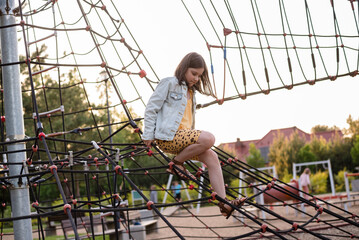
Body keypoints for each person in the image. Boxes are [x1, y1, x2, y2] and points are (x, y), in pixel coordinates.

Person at [142, 52, 242, 218]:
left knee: (212, 157)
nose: (196, 78)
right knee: (209, 138)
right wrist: (147, 134)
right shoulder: (169, 83)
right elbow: (151, 108)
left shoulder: (191, 93)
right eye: (193, 73)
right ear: (184, 68)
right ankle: (177, 163)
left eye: (199, 76)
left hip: (183, 141)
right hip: (168, 137)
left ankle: (224, 204)